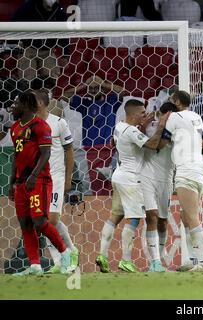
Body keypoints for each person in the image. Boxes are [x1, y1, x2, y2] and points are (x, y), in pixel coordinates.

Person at [95, 99, 170, 273]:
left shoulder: (120, 127)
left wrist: (141, 126)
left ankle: (102, 255)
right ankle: (126, 260)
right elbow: (152, 145)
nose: (145, 115)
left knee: (115, 216)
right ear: (133, 114)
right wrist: (162, 126)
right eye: (142, 113)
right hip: (131, 179)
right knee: (134, 218)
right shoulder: (130, 132)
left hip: (118, 176)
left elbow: (131, 139)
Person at [8, 91, 71, 276]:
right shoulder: (15, 127)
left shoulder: (40, 126)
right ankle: (35, 265)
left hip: (39, 181)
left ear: (26, 104)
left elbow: (46, 154)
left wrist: (34, 176)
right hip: (21, 183)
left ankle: (65, 252)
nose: (13, 106)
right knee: (25, 223)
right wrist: (12, 182)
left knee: (40, 220)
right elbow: (16, 157)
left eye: (16, 102)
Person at [156, 90, 203, 272]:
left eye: (172, 100)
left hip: (186, 169)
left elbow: (161, 143)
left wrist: (161, 125)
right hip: (200, 167)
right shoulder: (196, 116)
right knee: (185, 216)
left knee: (192, 216)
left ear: (177, 102)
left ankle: (202, 262)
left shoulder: (174, 117)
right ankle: (192, 259)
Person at [33, 89, 79, 274]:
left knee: (52, 218)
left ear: (42, 103)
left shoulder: (59, 123)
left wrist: (68, 178)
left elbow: (69, 151)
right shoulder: (30, 124)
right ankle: (59, 261)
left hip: (57, 177)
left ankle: (70, 250)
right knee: (43, 221)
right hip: (39, 179)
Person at [62, 75, 124, 196]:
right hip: (89, 150)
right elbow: (64, 96)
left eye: (97, 88)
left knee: (110, 186)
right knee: (91, 186)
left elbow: (122, 92)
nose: (93, 90)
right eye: (91, 88)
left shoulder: (111, 101)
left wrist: (103, 83)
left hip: (108, 148)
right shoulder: (84, 104)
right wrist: (85, 85)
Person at [141, 101, 178, 272]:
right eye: (167, 116)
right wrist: (160, 125)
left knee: (163, 220)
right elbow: (154, 146)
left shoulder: (179, 129)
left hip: (167, 178)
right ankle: (154, 261)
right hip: (147, 175)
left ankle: (160, 258)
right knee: (152, 216)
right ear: (160, 114)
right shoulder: (152, 126)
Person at [12, 0, 69, 82]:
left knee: (52, 79)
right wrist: (16, 45)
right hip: (28, 49)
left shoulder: (59, 11)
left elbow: (64, 33)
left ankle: (48, 94)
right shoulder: (29, 6)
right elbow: (14, 24)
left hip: (48, 51)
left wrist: (65, 54)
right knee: (27, 80)